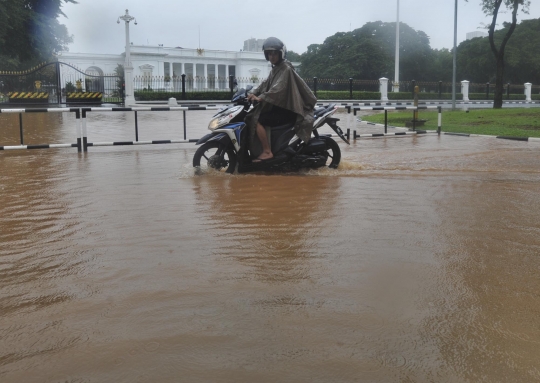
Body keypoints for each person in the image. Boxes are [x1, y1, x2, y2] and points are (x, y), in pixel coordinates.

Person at [246, 37, 317, 162]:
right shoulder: (276, 69)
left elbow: (278, 89)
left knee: (256, 120)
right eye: (269, 54)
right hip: (281, 109)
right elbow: (264, 84)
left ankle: (267, 152)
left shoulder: (286, 69)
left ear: (281, 54)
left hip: (289, 110)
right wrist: (252, 93)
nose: (272, 56)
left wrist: (261, 97)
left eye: (274, 53)